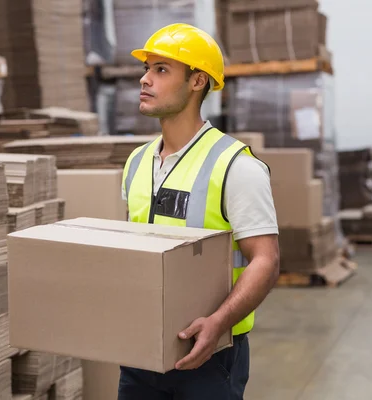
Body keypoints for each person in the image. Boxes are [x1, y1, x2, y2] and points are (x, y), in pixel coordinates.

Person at [119, 23, 280, 399]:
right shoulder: (136, 162)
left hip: (211, 354)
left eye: (161, 70)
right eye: (146, 69)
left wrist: (218, 323)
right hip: (140, 352)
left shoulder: (236, 166)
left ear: (197, 81)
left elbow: (266, 260)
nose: (145, 79)